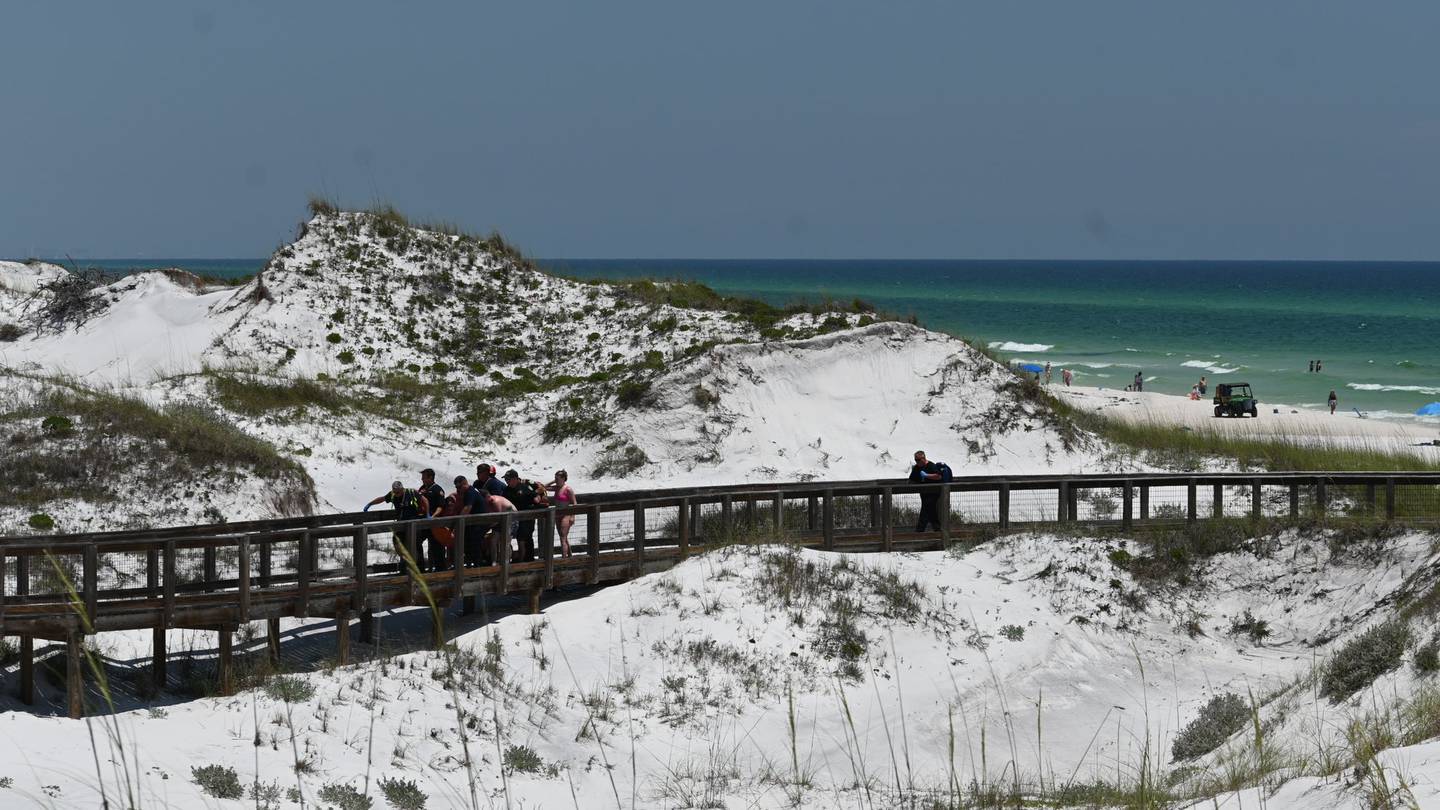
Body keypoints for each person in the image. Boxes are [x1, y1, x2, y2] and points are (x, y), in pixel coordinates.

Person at [363, 481, 430, 562]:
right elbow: (382, 498)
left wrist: (427, 514)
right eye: (395, 492)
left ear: (402, 489)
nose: (396, 494)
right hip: (401, 525)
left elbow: (425, 500)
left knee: (416, 546)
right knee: (398, 543)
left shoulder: (411, 493)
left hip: (414, 524)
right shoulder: (392, 494)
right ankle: (405, 565)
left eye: (398, 492)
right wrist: (370, 504)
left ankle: (420, 568)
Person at [503, 469, 545, 562]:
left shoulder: (524, 487)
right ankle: (524, 559)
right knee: (520, 539)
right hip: (515, 519)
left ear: (515, 479)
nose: (507, 481)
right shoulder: (506, 490)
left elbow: (536, 498)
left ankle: (527, 560)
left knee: (525, 539)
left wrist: (538, 494)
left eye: (508, 479)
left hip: (527, 518)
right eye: (506, 480)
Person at [448, 476, 485, 566]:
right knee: (468, 545)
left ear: (465, 483)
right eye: (456, 487)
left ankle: (477, 568)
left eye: (459, 487)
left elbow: (467, 508)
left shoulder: (470, 492)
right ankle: (470, 565)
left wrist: (458, 522)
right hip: (473, 523)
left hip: (478, 523)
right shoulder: (469, 492)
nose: (458, 489)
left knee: (475, 546)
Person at [417, 468, 447, 571]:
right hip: (423, 523)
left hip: (435, 523)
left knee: (437, 547)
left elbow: (441, 506)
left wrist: (433, 516)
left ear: (430, 477)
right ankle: (420, 568)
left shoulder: (437, 490)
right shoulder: (422, 489)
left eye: (424, 477)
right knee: (416, 542)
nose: (422, 479)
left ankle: (441, 569)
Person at [908, 450, 945, 532]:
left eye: (918, 460)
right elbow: (911, 480)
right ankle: (938, 529)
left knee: (925, 510)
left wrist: (926, 475)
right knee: (931, 511)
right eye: (915, 460)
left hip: (934, 492)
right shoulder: (917, 468)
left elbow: (938, 476)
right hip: (924, 493)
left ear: (923, 458)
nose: (917, 462)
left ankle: (919, 531)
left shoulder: (931, 465)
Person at [548, 469, 578, 557]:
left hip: (566, 514)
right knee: (563, 537)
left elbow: (574, 503)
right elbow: (543, 487)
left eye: (557, 478)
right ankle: (570, 556)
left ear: (563, 478)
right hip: (558, 514)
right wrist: (553, 481)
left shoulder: (568, 489)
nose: (556, 480)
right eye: (555, 478)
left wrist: (573, 516)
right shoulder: (556, 488)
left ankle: (564, 558)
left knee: (563, 538)